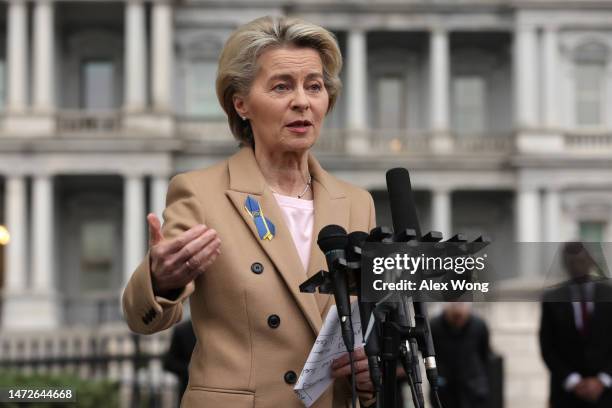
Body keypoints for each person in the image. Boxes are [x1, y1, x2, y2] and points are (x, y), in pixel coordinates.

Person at [122, 16, 376, 408]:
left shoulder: (358, 203)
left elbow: (363, 329)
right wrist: (161, 280)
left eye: (314, 86)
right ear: (241, 103)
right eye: (281, 86)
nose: (302, 101)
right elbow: (146, 320)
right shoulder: (200, 191)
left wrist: (370, 371)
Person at [539, 242, 612, 408]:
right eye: (572, 263)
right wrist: (574, 381)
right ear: (565, 265)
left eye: (581, 261)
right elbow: (547, 347)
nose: (577, 267)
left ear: (591, 262)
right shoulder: (552, 299)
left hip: (606, 394)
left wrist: (602, 380)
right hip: (566, 394)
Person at [429, 302, 491, 408]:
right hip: (444, 390)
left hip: (472, 390)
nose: (458, 321)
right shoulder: (434, 326)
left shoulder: (479, 325)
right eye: (454, 317)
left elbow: (484, 354)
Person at [162, 320, 196, 405]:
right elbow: (169, 363)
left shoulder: (182, 329)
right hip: (187, 389)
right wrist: (189, 369)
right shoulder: (182, 330)